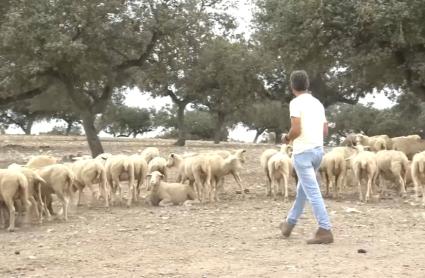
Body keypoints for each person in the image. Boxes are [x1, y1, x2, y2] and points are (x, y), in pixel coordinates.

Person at [280, 70, 333, 244]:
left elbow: (296, 130)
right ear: (307, 85)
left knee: (312, 191)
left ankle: (325, 229)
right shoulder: (317, 103)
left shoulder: (295, 103)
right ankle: (289, 224)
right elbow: (325, 130)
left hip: (303, 153)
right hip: (318, 151)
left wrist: (287, 139)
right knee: (303, 191)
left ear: (292, 86)